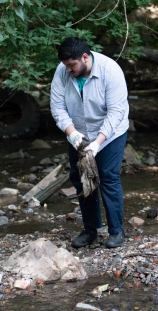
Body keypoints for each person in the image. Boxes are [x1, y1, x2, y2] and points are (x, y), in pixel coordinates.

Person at [50, 37, 130, 249]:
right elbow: (57, 107)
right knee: (80, 177)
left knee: (107, 175)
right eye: (66, 65)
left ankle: (116, 231)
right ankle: (90, 229)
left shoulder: (110, 71)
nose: (68, 70)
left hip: (111, 132)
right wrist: (72, 133)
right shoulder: (62, 70)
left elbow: (116, 113)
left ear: (85, 57)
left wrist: (98, 143)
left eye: (72, 65)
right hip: (79, 131)